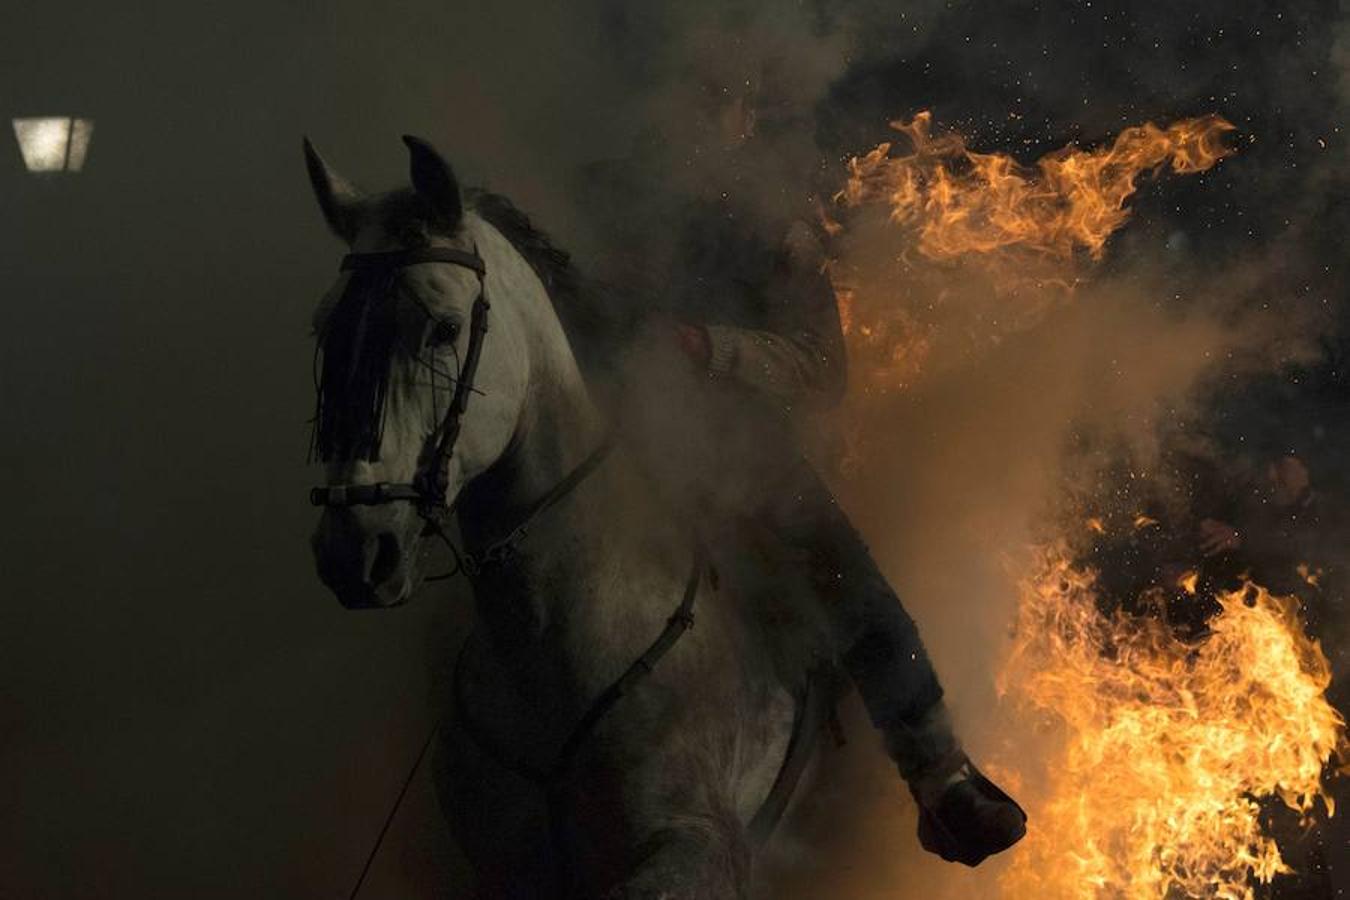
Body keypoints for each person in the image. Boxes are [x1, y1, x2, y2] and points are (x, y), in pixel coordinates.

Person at [580, 78, 1026, 866]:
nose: (693, 124)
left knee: (850, 583)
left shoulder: (773, 237)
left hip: (742, 457)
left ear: (740, 120)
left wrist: (708, 348)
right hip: (620, 442)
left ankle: (939, 777)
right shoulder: (620, 213)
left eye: (712, 106)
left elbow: (822, 372)